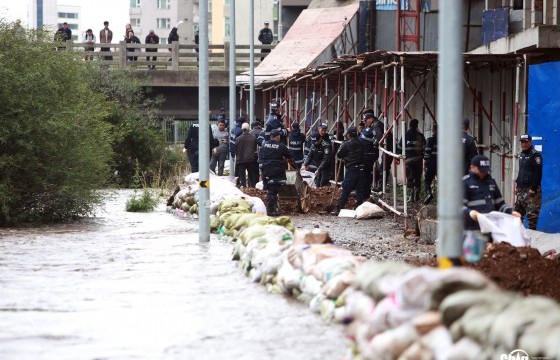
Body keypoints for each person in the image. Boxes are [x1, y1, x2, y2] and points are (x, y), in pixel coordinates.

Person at [464, 155, 516, 232]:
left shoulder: (491, 182)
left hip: (490, 228)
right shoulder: (465, 183)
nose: (483, 173)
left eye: (485, 170)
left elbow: (500, 204)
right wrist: (471, 213)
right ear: (472, 167)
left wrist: (511, 212)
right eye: (481, 170)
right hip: (471, 230)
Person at [331, 126, 365, 216]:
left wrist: (345, 157)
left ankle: (339, 208)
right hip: (361, 169)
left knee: (346, 189)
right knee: (360, 190)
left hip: (352, 170)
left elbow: (339, 154)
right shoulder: (361, 143)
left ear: (348, 135)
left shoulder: (347, 144)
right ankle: (359, 209)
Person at [259, 129, 294, 216]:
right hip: (276, 170)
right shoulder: (281, 146)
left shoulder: (264, 144)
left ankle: (272, 206)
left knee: (270, 189)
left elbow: (261, 156)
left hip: (265, 170)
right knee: (273, 190)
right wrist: (292, 164)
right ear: (278, 136)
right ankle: (271, 210)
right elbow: (290, 156)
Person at [515, 134, 543, 230]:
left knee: (532, 217)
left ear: (530, 142)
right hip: (521, 190)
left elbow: (538, 173)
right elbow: (521, 171)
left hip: (531, 191)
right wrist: (517, 186)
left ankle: (532, 239)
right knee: (516, 215)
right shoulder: (522, 154)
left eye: (526, 142)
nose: (524, 144)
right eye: (522, 142)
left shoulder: (535, 155)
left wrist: (533, 189)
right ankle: (518, 236)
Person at [396, 118, 426, 203]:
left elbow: (399, 147)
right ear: (417, 126)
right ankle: (416, 195)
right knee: (417, 177)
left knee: (409, 178)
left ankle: (410, 195)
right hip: (418, 161)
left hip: (408, 161)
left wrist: (397, 157)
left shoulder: (405, 135)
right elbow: (424, 148)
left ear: (409, 126)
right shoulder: (420, 136)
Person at [303, 123, 333, 187]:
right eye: (322, 130)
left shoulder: (326, 145)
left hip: (325, 165)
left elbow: (325, 159)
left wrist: (318, 169)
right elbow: (310, 155)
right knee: (318, 182)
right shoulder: (314, 143)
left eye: (325, 130)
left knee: (323, 183)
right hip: (318, 165)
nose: (315, 143)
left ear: (320, 139)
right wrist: (304, 165)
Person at [359, 112, 380, 198]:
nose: (364, 122)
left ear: (371, 119)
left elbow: (378, 138)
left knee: (365, 175)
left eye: (365, 120)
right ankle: (364, 193)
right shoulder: (369, 128)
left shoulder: (375, 127)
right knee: (365, 174)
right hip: (366, 154)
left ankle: (364, 194)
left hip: (368, 155)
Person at [235, 123, 258, 188]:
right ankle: (252, 188)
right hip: (250, 159)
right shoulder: (253, 138)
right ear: (249, 128)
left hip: (241, 160)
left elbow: (235, 149)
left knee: (242, 176)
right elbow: (254, 148)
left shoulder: (238, 139)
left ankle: (244, 187)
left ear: (242, 129)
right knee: (251, 175)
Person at [423, 123, 438, 204]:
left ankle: (429, 194)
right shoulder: (446, 140)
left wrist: (424, 164)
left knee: (427, 181)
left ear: (433, 130)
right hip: (442, 165)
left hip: (432, 164)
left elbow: (427, 154)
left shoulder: (430, 140)